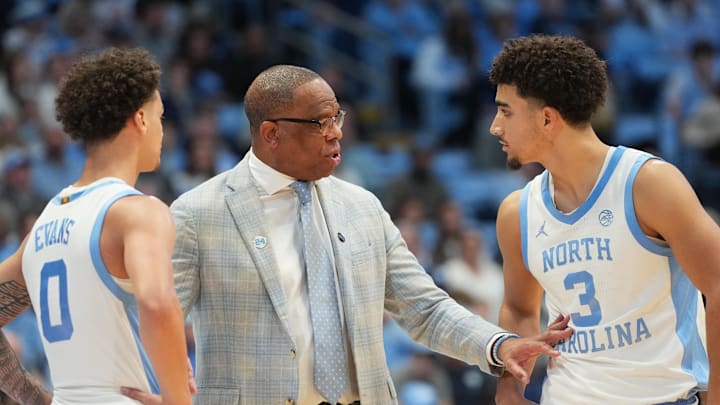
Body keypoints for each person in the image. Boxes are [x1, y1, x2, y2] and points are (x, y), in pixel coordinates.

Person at [123, 64, 572, 405]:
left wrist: (499, 344)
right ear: (271, 133)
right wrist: (157, 384)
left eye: (337, 115)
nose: (337, 132)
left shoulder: (362, 207)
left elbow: (425, 310)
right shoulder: (197, 213)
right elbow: (152, 316)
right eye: (320, 122)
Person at [488, 34, 719, 404]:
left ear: (547, 119)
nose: (495, 127)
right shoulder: (517, 212)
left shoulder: (648, 183)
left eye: (505, 111)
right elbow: (519, 309)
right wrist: (509, 387)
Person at [0, 47, 193, 404]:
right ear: (140, 119)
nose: (163, 131)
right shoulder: (138, 212)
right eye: (161, 116)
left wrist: (35, 398)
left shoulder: (44, 223)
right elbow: (156, 302)